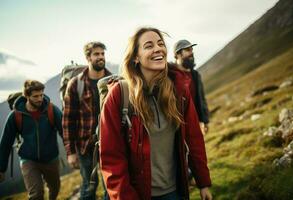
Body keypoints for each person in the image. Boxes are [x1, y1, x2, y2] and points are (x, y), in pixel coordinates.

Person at [100, 27, 212, 200]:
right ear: (136, 57)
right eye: (149, 45)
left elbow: (194, 138)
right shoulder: (119, 95)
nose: (158, 48)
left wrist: (203, 182)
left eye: (161, 44)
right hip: (135, 194)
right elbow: (111, 158)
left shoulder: (179, 90)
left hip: (174, 192)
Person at [63, 41, 111, 200]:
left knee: (110, 186)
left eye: (102, 54)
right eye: (96, 54)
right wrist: (70, 152)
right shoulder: (76, 84)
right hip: (84, 144)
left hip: (109, 142)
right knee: (89, 186)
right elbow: (68, 120)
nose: (101, 57)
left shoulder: (113, 81)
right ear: (88, 57)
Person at [0, 80, 63, 200]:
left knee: (55, 188)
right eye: (35, 96)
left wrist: (72, 153)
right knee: (36, 194)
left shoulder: (51, 110)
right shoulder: (15, 116)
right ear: (27, 96)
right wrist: (1, 168)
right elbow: (5, 143)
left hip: (51, 158)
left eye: (41, 95)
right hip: (28, 160)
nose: (40, 99)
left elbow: (64, 131)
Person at [174, 40, 210, 134]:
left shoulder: (195, 75)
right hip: (178, 127)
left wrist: (204, 120)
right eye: (187, 50)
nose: (191, 53)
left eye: (191, 49)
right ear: (178, 54)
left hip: (195, 123)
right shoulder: (171, 76)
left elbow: (201, 99)